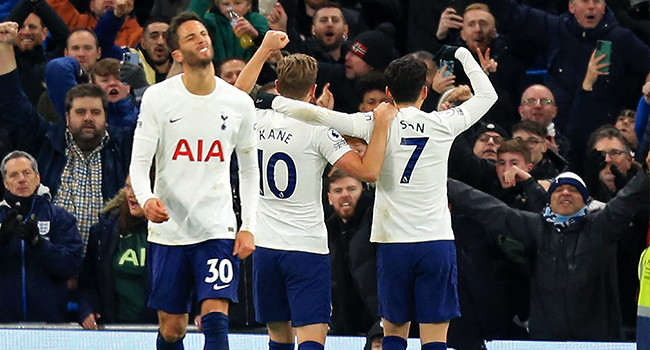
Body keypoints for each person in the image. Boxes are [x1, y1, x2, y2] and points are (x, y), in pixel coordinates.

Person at [264, 45, 498, 350]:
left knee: (393, 334)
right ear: (424, 93)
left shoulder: (372, 122)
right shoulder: (444, 123)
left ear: (388, 91)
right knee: (436, 336)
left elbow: (317, 114)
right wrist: (462, 55)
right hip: (435, 242)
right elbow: (488, 96)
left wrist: (268, 100)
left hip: (392, 243)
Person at [236, 30, 396, 350]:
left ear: (277, 88)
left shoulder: (254, 118)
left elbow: (238, 92)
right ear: (313, 91)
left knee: (278, 338)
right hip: (306, 247)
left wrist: (265, 47)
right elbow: (369, 171)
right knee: (311, 339)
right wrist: (379, 125)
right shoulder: (319, 131)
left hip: (265, 247)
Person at [129, 12, 258, 350]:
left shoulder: (240, 103)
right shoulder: (158, 98)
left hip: (217, 227)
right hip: (169, 231)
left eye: (203, 33)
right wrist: (145, 199)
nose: (202, 39)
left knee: (216, 323)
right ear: (176, 54)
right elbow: (140, 164)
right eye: (191, 37)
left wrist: (249, 225)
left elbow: (249, 170)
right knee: (172, 330)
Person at [447, 168, 650, 340]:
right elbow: (492, 210)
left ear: (586, 199)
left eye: (573, 190)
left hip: (599, 340)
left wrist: (646, 173)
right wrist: (442, 183)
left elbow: (626, 202)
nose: (565, 193)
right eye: (558, 190)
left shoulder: (601, 227)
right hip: (545, 339)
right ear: (550, 200)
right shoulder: (537, 227)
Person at [0, 21, 134, 250]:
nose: (88, 118)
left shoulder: (124, 145)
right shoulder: (46, 140)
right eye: (80, 112)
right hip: (49, 259)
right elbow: (14, 101)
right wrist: (4, 47)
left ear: (105, 116)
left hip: (104, 264)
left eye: (95, 112)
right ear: (67, 117)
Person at [0, 150, 83, 322]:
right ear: (5, 183)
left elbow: (71, 267)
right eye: (14, 175)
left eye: (26, 173)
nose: (21, 179)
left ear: (37, 178)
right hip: (3, 325)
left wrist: (40, 246)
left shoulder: (60, 218)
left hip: (50, 326)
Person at [78, 175, 156, 329]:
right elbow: (88, 283)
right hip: (114, 330)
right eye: (128, 187)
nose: (131, 194)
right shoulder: (103, 231)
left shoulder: (177, 232)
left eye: (138, 188)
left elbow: (190, 279)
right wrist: (88, 309)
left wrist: (200, 311)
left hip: (162, 329)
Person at [327, 169, 378, 336]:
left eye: (351, 189)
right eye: (338, 191)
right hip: (343, 328)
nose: (344, 195)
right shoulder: (326, 231)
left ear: (363, 191)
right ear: (329, 198)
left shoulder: (376, 220)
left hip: (377, 324)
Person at [5, 0, 70, 106]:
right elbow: (2, 34)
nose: (26, 32)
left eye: (32, 27)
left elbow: (67, 42)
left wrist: (40, 3)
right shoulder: (5, 65)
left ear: (44, 33)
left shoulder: (54, 64)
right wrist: (28, 2)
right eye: (21, 27)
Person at [187, 0, 269, 63]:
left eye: (237, 3)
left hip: (251, 69)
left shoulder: (256, 19)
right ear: (219, 6)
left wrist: (254, 34)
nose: (231, 9)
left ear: (248, 5)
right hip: (218, 69)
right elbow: (189, 21)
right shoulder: (211, 20)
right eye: (225, 4)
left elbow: (269, 44)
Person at [46, 0, 142, 47]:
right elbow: (56, 3)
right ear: (91, 5)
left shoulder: (140, 35)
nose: (109, 0)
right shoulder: (76, 22)